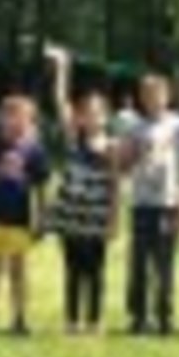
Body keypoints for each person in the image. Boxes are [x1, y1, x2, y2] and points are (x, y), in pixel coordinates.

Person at [46, 46, 121, 335]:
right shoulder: (72, 139)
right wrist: (63, 68)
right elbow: (60, 100)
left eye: (97, 113)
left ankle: (94, 320)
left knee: (95, 271)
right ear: (78, 117)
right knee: (73, 270)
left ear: (106, 117)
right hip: (70, 217)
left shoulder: (111, 147)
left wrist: (113, 220)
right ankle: (71, 320)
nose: (91, 118)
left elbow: (115, 186)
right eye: (86, 113)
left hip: (97, 218)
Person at [0, 94, 51, 336]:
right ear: (3, 118)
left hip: (20, 220)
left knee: (19, 271)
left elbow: (41, 188)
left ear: (30, 120)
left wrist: (42, 218)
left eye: (24, 117)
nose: (18, 122)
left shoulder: (34, 150)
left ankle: (20, 318)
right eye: (12, 116)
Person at [123, 74, 179, 336]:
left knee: (165, 263)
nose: (153, 99)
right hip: (142, 202)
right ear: (142, 98)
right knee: (139, 262)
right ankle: (139, 316)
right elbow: (125, 162)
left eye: (158, 94)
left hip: (169, 202)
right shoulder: (134, 126)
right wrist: (133, 153)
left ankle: (165, 315)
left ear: (167, 96)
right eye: (147, 94)